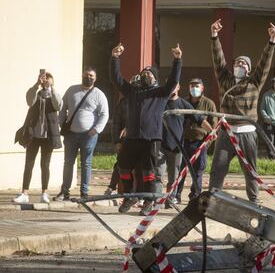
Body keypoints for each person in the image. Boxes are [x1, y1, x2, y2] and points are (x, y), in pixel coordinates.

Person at [208, 19, 275, 204]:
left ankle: (254, 201)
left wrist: (271, 41)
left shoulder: (254, 82)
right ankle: (212, 199)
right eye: (237, 62)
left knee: (250, 170)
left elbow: (264, 64)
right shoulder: (225, 80)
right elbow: (218, 60)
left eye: (244, 64)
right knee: (217, 168)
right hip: (226, 132)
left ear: (248, 69)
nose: (240, 65)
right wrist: (214, 36)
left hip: (247, 133)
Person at [110, 42, 182, 215]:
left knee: (149, 172)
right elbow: (117, 79)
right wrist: (114, 58)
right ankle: (130, 196)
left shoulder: (160, 93)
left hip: (151, 139)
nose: (145, 75)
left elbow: (173, 81)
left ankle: (149, 201)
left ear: (155, 78)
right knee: (123, 166)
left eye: (149, 73)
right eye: (143, 73)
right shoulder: (133, 92)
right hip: (132, 138)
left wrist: (177, 60)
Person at [54, 66, 109, 201]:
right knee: (68, 162)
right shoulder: (72, 90)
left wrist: (96, 130)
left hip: (89, 136)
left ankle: (84, 193)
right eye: (86, 75)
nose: (88, 77)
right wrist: (61, 124)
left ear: (95, 78)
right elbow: (62, 108)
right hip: (71, 134)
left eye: (91, 76)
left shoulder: (99, 94)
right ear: (82, 76)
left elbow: (104, 114)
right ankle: (64, 191)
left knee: (86, 163)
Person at [155, 83, 212, 209]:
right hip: (161, 146)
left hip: (177, 148)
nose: (172, 88)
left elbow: (199, 119)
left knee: (174, 177)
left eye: (174, 85)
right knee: (158, 174)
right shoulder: (161, 103)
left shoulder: (183, 104)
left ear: (179, 87)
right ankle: (157, 201)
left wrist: (212, 131)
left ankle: (170, 199)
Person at [13, 71, 63, 204]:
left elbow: (59, 105)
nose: (46, 82)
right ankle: (24, 193)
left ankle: (44, 193)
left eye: (48, 81)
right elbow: (29, 101)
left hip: (48, 137)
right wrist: (36, 84)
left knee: (45, 165)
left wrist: (51, 89)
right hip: (33, 135)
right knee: (29, 163)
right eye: (44, 80)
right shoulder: (36, 94)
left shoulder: (54, 96)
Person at [175, 78, 217, 202]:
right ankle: (176, 195)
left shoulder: (209, 104)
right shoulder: (183, 102)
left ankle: (194, 196)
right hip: (184, 142)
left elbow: (213, 126)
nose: (194, 88)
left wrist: (207, 143)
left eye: (197, 86)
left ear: (202, 88)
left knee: (198, 171)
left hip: (200, 143)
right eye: (192, 86)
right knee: (181, 170)